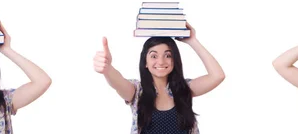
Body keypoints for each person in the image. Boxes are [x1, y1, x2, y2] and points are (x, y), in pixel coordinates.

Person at [93, 23, 225, 134]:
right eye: (154, 56)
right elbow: (118, 82)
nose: (161, 62)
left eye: (167, 55)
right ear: (145, 62)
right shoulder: (137, 91)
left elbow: (217, 75)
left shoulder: (184, 88)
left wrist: (192, 41)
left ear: (175, 60)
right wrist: (108, 69)